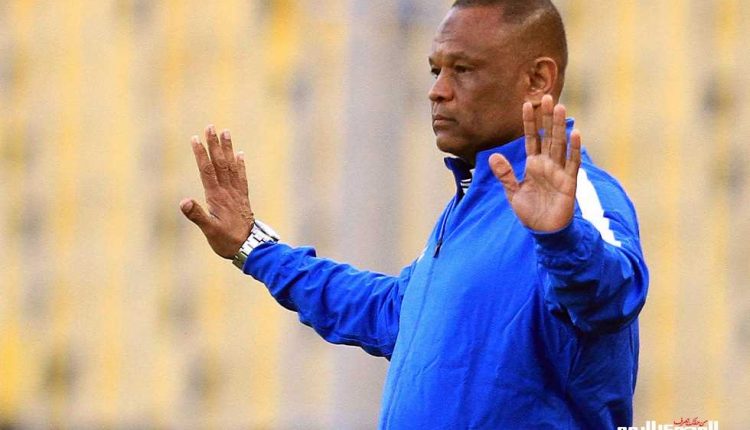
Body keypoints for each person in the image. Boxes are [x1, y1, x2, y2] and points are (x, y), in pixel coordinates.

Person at [179, 0, 649, 428]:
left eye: (462, 69)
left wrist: (561, 239)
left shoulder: (576, 199)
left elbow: (613, 297)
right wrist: (255, 246)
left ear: (538, 80)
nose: (437, 91)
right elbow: (392, 312)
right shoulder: (468, 210)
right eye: (435, 71)